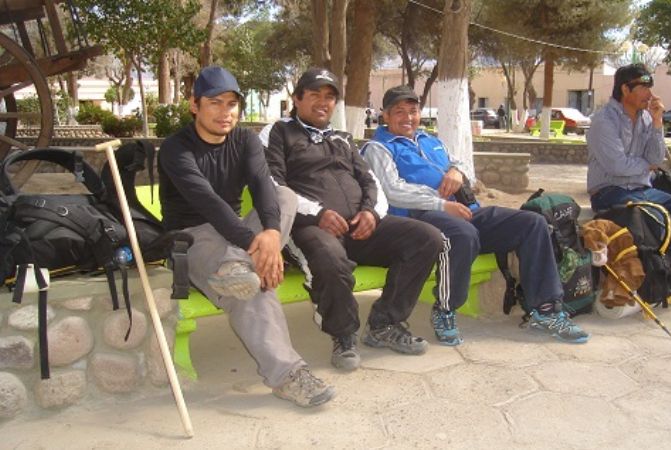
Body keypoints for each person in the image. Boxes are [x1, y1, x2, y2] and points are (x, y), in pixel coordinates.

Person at [158, 66, 334, 408]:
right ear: (194, 106)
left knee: (285, 197)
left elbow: (264, 187)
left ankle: (238, 267)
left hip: (237, 237)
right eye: (215, 103)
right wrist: (257, 245)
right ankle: (288, 376)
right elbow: (208, 203)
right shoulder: (175, 149)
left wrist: (268, 234)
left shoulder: (245, 140)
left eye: (231, 104)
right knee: (251, 288)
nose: (225, 112)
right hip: (192, 238)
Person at [362, 85, 590, 346]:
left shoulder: (430, 140)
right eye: (399, 112)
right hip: (418, 218)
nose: (408, 117)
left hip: (465, 210)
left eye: (412, 111)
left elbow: (458, 163)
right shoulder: (378, 148)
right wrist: (441, 205)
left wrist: (457, 172)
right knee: (462, 233)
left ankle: (546, 310)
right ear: (386, 116)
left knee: (532, 223)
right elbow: (392, 191)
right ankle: (446, 310)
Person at [260, 68, 443, 372]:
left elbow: (370, 181)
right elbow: (273, 183)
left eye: (330, 96)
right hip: (309, 227)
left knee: (426, 238)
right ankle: (343, 335)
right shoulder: (278, 132)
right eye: (315, 94)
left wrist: (371, 212)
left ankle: (385, 323)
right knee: (331, 259)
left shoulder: (342, 138)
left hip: (359, 227)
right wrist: (318, 213)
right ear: (297, 98)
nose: (323, 102)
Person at [586, 63, 671, 251]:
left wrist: (657, 123)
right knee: (649, 220)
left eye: (650, 88)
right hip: (610, 192)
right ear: (625, 89)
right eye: (643, 88)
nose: (649, 94)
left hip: (642, 189)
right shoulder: (604, 121)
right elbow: (618, 166)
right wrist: (647, 166)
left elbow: (656, 159)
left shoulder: (646, 118)